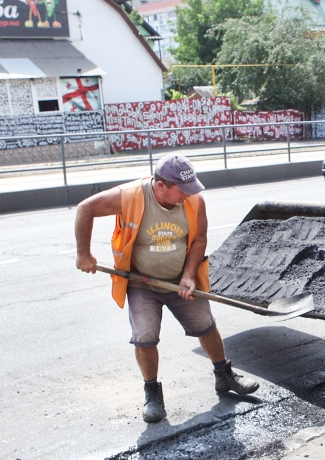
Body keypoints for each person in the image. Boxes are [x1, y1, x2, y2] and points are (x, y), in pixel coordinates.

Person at [74, 154, 259, 423]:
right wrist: (83, 253)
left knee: (205, 324)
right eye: (182, 189)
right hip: (142, 283)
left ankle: (224, 376)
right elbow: (84, 208)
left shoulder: (194, 200)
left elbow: (199, 239)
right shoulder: (130, 196)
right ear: (161, 186)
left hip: (179, 280)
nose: (189, 194)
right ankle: (152, 393)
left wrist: (188, 276)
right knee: (144, 336)